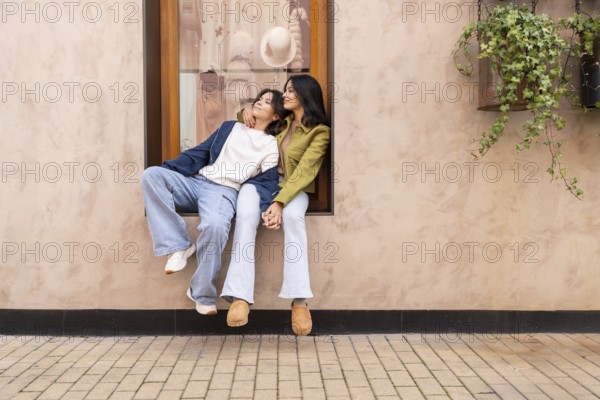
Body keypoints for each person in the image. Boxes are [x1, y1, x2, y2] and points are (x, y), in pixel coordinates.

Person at [141, 89, 287, 316]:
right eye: (259, 99)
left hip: (224, 191)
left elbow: (266, 182)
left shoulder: (269, 145)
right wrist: (170, 168)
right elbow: (201, 152)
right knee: (152, 175)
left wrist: (271, 207)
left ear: (276, 115)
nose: (260, 102)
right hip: (198, 181)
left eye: (267, 102)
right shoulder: (230, 127)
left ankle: (202, 293)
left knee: (216, 227)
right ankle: (179, 245)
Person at [221, 74, 330, 335]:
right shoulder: (283, 123)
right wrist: (246, 109)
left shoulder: (320, 132)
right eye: (286, 90)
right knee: (245, 213)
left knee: (293, 218)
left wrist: (279, 203)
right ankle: (240, 297)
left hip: (294, 188)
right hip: (260, 182)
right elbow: (245, 118)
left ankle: (300, 301)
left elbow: (305, 172)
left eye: (291, 90)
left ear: (306, 94)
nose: (287, 94)